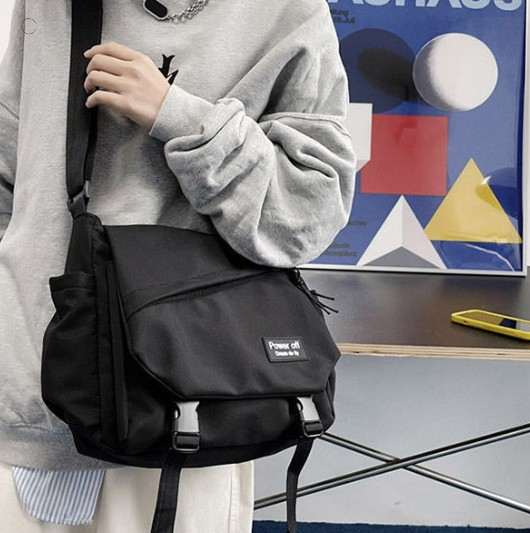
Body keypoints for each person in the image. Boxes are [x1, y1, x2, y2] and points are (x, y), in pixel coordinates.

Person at [0, 0, 358, 531]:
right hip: (28, 398)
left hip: (183, 408)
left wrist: (179, 116)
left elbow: (306, 215)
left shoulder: (285, 12)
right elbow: (9, 169)